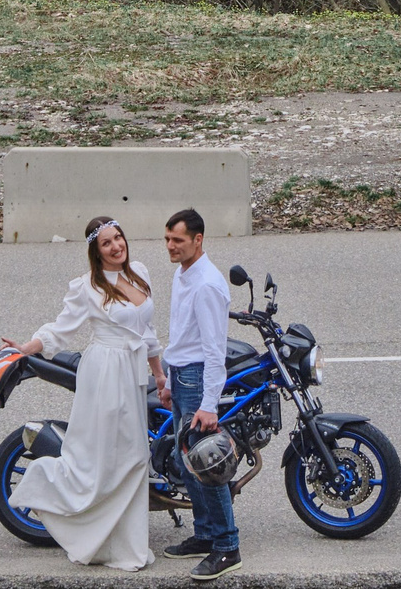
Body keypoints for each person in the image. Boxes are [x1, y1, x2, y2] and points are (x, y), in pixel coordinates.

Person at [4, 215, 170, 570]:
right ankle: (42, 485)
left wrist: (159, 375)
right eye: (106, 243)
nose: (116, 246)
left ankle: (123, 545)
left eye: (118, 238)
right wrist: (27, 347)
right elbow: (60, 329)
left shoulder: (139, 272)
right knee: (106, 460)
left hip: (132, 373)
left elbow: (148, 332)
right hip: (105, 373)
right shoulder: (87, 286)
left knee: (135, 458)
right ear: (96, 251)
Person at [161, 207, 240, 579]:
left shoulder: (207, 284)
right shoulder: (182, 273)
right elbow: (180, 334)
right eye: (167, 239)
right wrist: (169, 381)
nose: (170, 246)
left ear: (198, 239)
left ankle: (227, 547)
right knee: (188, 465)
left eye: (177, 240)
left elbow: (214, 351)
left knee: (208, 465)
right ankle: (205, 534)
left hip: (196, 379)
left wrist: (209, 405)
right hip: (181, 376)